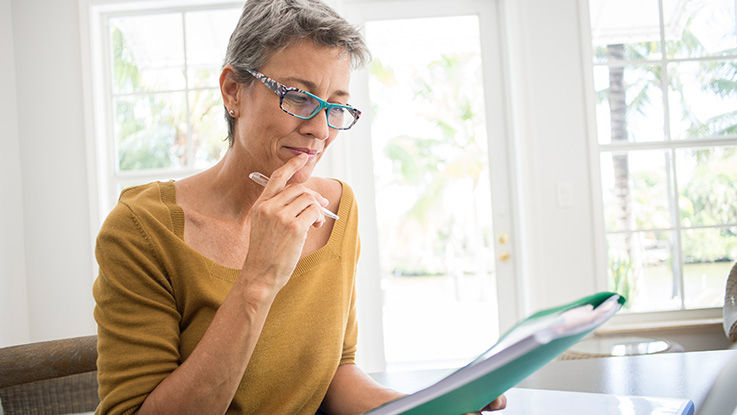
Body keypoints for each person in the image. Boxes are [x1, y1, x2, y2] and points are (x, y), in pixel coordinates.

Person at [93, 0, 507, 414]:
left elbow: (335, 375)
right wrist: (258, 280)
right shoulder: (141, 229)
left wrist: (431, 408)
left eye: (336, 105)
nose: (321, 130)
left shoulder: (337, 209)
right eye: (299, 97)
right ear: (233, 90)